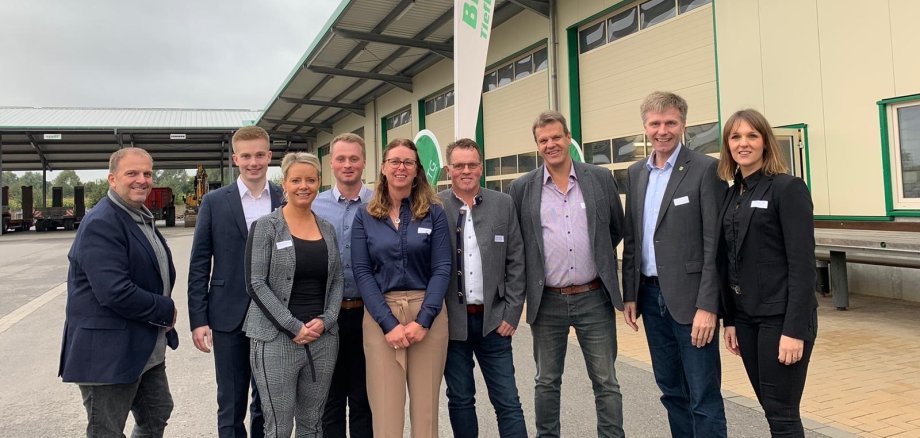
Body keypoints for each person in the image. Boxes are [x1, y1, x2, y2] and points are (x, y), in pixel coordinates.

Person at [508, 110, 626, 438]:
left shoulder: (599, 179)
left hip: (593, 297)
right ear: (537, 146)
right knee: (546, 382)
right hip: (547, 301)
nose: (551, 144)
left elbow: (614, 228)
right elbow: (518, 243)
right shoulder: (522, 188)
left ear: (568, 138)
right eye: (543, 140)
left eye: (556, 137)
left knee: (606, 381)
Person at [620, 91, 728, 437]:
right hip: (651, 300)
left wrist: (709, 306)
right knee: (672, 392)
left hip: (692, 302)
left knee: (704, 396)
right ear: (645, 127)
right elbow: (633, 238)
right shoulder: (637, 172)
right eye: (655, 123)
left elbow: (715, 244)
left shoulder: (705, 169)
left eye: (670, 123)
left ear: (683, 125)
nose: (662, 130)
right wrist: (630, 294)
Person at [59, 147, 178, 437]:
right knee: (107, 430)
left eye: (147, 173)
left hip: (143, 346)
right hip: (109, 352)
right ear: (112, 179)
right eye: (132, 173)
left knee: (156, 413)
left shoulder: (139, 216)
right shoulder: (103, 222)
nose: (142, 180)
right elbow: (115, 292)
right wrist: (166, 310)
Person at [718, 109, 818, 437]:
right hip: (746, 319)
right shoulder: (733, 194)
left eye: (751, 136)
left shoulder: (787, 188)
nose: (743, 143)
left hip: (780, 318)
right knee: (770, 408)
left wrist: (795, 330)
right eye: (735, 137)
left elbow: (802, 265)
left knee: (782, 412)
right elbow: (729, 259)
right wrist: (729, 320)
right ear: (727, 145)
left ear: (765, 142)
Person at [351, 138, 452, 437]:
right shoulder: (365, 215)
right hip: (381, 314)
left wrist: (424, 320)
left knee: (425, 414)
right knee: (386, 413)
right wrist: (388, 323)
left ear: (417, 170)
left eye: (408, 162)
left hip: (428, 314)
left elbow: (442, 267)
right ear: (383, 168)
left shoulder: (434, 211)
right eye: (394, 161)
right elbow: (362, 271)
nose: (401, 167)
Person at [188, 125, 281, 438]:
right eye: (246, 156)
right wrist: (198, 319)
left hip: (275, 316)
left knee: (266, 402)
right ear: (235, 158)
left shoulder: (285, 198)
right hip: (228, 316)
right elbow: (200, 263)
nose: (253, 162)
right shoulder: (215, 202)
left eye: (259, 155)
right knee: (230, 403)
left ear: (269, 156)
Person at [244, 152, 344, 437]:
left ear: (319, 183)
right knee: (278, 426)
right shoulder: (266, 227)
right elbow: (255, 283)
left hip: (322, 340)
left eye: (310, 180)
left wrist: (327, 320)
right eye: (296, 180)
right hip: (276, 341)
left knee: (312, 424)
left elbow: (337, 278)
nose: (304, 186)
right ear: (284, 184)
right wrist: (293, 326)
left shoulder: (326, 228)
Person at [438, 138, 528, 438]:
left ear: (481, 167)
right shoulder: (436, 206)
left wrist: (512, 313)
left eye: (472, 165)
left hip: (494, 322)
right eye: (459, 165)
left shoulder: (502, 204)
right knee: (461, 399)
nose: (466, 171)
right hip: (453, 323)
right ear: (449, 170)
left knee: (508, 401)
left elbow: (516, 260)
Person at [313, 133, 374, 437]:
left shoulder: (380, 202)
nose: (347, 165)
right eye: (341, 158)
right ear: (331, 164)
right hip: (328, 317)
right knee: (330, 400)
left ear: (364, 162)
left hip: (369, 315)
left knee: (365, 399)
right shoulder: (314, 205)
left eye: (354, 158)